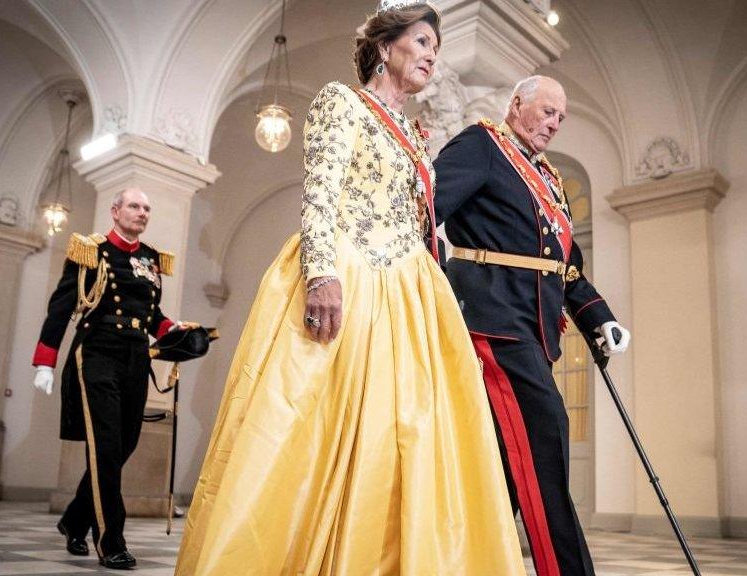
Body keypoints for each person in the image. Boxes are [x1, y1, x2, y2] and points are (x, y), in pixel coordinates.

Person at [174, 2, 526, 575]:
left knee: (409, 430)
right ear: (385, 48)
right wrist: (322, 272)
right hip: (349, 270)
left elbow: (421, 220)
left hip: (409, 289)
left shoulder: (416, 133)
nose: (432, 55)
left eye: (436, 48)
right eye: (420, 42)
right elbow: (320, 190)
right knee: (313, 424)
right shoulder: (343, 102)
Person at [433, 75, 632, 576]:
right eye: (547, 112)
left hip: (534, 328)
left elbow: (564, 263)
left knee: (502, 463)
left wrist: (598, 318)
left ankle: (470, 564)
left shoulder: (549, 179)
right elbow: (422, 211)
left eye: (561, 118)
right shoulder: (481, 145)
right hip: (494, 323)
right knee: (547, 437)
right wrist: (443, 284)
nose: (554, 124)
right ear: (517, 103)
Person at [32, 188, 181, 570]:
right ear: (115, 211)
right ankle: (110, 539)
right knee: (105, 447)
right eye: (134, 206)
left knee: (124, 445)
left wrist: (174, 331)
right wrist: (45, 361)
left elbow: (151, 314)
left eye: (147, 208)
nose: (142, 212)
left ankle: (73, 519)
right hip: (97, 351)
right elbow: (62, 305)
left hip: (134, 355)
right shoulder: (90, 250)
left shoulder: (150, 258)